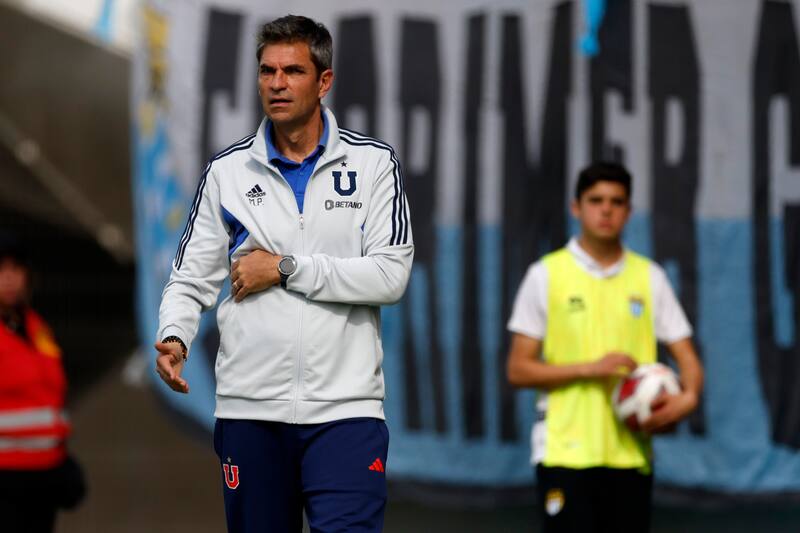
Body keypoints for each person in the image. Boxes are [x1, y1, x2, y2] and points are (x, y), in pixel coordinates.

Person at [154, 14, 413, 533]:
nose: (276, 83)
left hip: (346, 412)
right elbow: (189, 279)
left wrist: (286, 268)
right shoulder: (228, 172)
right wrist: (174, 336)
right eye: (266, 70)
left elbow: (390, 276)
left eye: (292, 71)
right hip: (250, 410)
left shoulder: (373, 164)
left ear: (324, 81)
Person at [505, 162, 703, 533]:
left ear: (628, 210)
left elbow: (687, 357)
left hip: (630, 455)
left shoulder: (650, 277)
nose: (606, 209)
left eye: (616, 201)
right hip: (564, 452)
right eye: (596, 200)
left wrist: (688, 397)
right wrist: (589, 368)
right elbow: (518, 369)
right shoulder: (546, 274)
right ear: (576, 207)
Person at [0, 234, 85, 532]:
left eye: (16, 269)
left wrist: (62, 463)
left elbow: (48, 398)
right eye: (1, 269)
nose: (9, 277)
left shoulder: (37, 328)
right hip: (6, 479)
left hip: (44, 475)